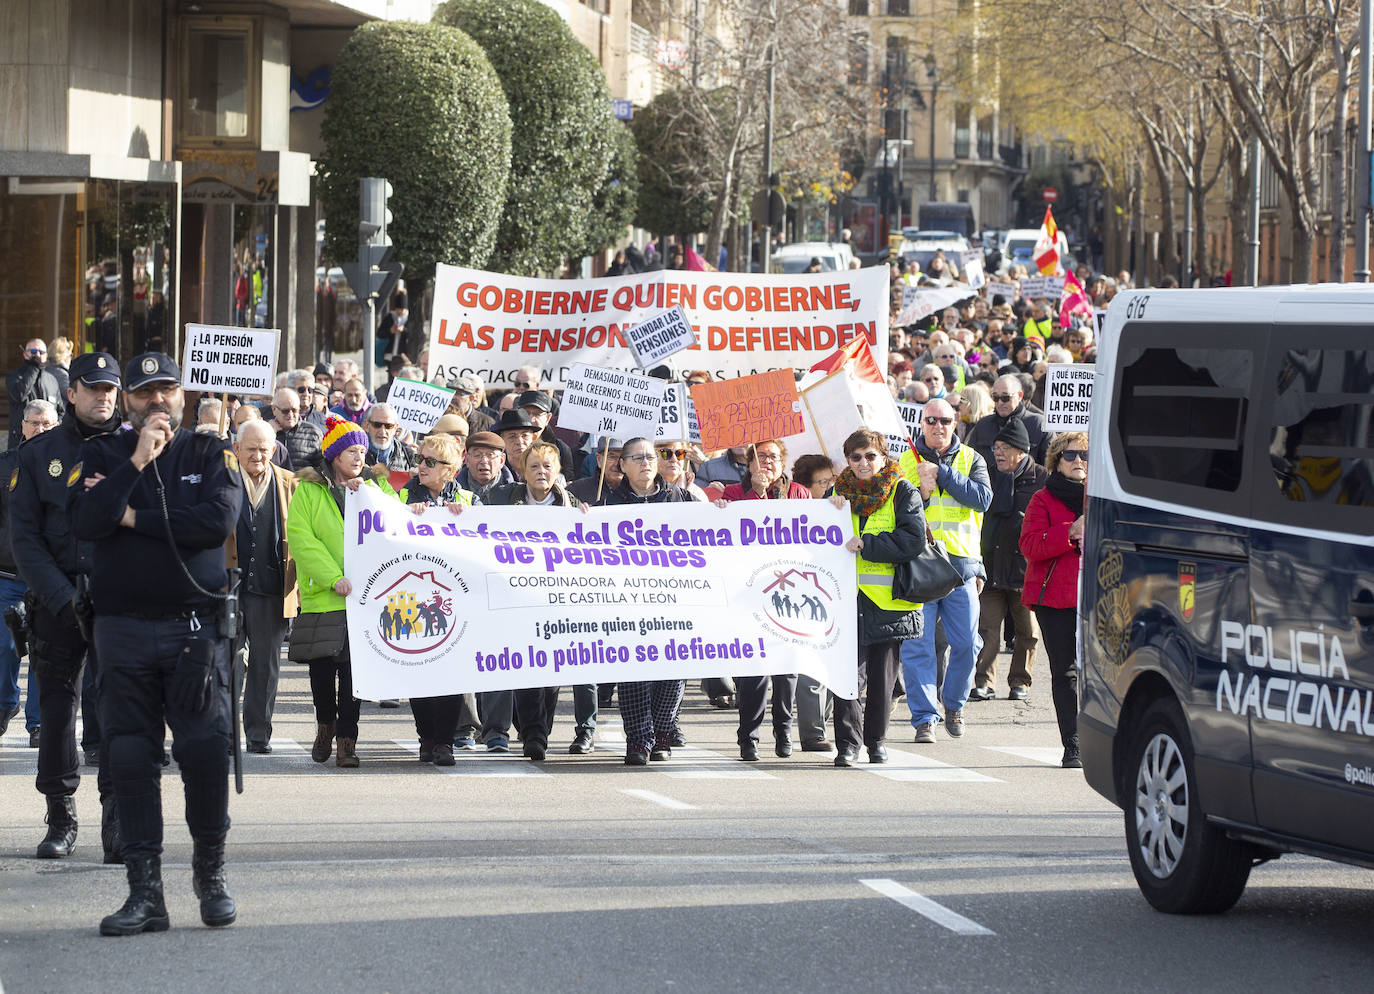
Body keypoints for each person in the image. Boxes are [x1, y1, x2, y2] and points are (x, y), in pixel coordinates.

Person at [71, 352, 243, 935]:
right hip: (121, 629)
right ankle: (145, 892)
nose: (158, 402)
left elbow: (214, 523)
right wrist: (137, 462)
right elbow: (87, 519)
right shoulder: (102, 453)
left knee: (204, 750)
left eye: (167, 390)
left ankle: (210, 873)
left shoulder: (208, 451)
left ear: (184, 395)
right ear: (128, 401)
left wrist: (132, 518)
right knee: (129, 759)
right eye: (145, 393)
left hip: (192, 628)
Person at [11, 355, 124, 865]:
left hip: (120, 601)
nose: (104, 396)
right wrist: (61, 596)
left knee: (121, 714)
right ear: (71, 393)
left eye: (111, 388)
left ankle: (118, 817)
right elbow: (25, 541)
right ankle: (60, 816)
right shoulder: (39, 455)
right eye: (94, 388)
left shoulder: (135, 451)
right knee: (57, 715)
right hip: (57, 603)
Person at [286, 416, 395, 770]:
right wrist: (333, 578)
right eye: (351, 450)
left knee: (352, 676)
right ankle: (325, 726)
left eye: (363, 450)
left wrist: (415, 510)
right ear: (334, 455)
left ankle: (348, 740)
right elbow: (303, 540)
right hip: (325, 597)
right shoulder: (310, 490)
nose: (359, 456)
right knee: (320, 673)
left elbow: (398, 519)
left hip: (364, 599)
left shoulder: (375, 487)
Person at [481, 442, 599, 760]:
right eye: (534, 466)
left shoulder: (573, 506)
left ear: (558, 470)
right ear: (523, 471)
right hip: (517, 598)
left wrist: (586, 522)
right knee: (527, 665)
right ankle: (534, 734)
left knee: (550, 677)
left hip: (558, 601)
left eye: (547, 466)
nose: (541, 472)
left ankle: (537, 728)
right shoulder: (501, 498)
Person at [830, 428, 926, 767]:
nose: (863, 463)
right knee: (845, 676)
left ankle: (876, 742)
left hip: (888, 603)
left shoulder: (903, 491)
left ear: (883, 457)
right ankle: (848, 744)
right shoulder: (837, 493)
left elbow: (913, 540)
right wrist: (830, 509)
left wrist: (868, 545)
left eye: (870, 455)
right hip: (846, 600)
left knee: (882, 680)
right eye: (855, 457)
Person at [898, 398, 992, 742]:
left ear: (956, 424)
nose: (938, 426)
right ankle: (924, 717)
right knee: (917, 645)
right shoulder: (905, 460)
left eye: (945, 420)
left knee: (967, 643)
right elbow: (894, 514)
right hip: (920, 567)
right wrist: (921, 493)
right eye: (931, 420)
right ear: (921, 424)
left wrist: (943, 475)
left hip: (961, 568)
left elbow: (983, 500)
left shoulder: (972, 459)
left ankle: (953, 704)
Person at [715, 440, 809, 760]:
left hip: (787, 592)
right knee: (753, 668)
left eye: (773, 457)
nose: (766, 462)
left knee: (786, 668)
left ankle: (783, 729)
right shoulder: (732, 494)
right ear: (748, 462)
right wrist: (756, 495)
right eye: (760, 456)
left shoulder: (798, 493)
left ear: (783, 462)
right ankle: (748, 736)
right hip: (747, 593)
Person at [603, 438, 689, 763]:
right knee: (634, 674)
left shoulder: (678, 498)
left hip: (672, 602)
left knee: (672, 673)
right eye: (637, 457)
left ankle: (663, 731)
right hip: (627, 603)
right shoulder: (608, 505)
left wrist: (718, 511)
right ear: (621, 464)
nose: (646, 462)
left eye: (651, 456)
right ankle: (638, 740)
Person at [396, 432, 474, 766]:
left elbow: (482, 539)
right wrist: (402, 516)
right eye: (420, 460)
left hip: (453, 598)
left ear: (450, 470)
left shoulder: (468, 499)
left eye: (431, 462)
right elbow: (381, 528)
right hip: (414, 595)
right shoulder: (402, 495)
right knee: (419, 672)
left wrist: (465, 518)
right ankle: (426, 736)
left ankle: (445, 742)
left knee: (451, 672)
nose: (422, 467)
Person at [228, 420, 298, 754]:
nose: (257, 455)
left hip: (271, 589)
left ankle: (258, 734)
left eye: (264, 449)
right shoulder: (222, 480)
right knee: (227, 663)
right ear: (236, 449)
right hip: (228, 588)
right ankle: (225, 733)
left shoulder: (290, 483)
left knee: (265, 666)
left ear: (274, 450)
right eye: (251, 448)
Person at [1020, 431, 1088, 769]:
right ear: (1057, 460)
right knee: (1065, 672)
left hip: (1101, 598)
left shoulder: (1103, 498)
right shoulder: (1042, 500)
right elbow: (1030, 546)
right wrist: (1070, 532)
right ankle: (1072, 744)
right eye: (1071, 455)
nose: (1079, 462)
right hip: (1055, 599)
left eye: (1085, 456)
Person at [970, 420, 1046, 702]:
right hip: (991, 566)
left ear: (1022, 450)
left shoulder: (1041, 478)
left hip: (1026, 571)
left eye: (1004, 448)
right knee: (987, 629)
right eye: (996, 447)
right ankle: (983, 682)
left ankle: (1020, 681)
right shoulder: (988, 475)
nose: (998, 453)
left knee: (1027, 631)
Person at [0, 400, 59, 748]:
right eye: (34, 423)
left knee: (42, 650)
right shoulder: (5, 465)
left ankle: (38, 723)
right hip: (7, 576)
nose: (40, 429)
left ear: (57, 426)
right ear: (22, 426)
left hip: (48, 578)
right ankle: (7, 703)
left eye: (47, 424)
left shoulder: (69, 466)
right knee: (5, 648)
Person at [967, 373, 1051, 468]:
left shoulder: (1038, 424)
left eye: (1005, 398)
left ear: (1020, 395)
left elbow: (1049, 466)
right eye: (995, 397)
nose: (1000, 403)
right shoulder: (983, 425)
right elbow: (970, 462)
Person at [7, 339, 65, 450]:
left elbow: (60, 410)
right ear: (25, 354)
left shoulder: (51, 379)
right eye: (33, 351)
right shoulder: (14, 376)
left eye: (41, 352)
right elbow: (19, 395)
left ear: (46, 356)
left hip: (49, 443)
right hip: (20, 443)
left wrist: (52, 428)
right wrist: (33, 368)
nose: (37, 355)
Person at [268, 387, 323, 469]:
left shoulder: (314, 433)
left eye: (294, 410)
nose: (290, 415)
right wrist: (271, 433)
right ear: (274, 409)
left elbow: (322, 468)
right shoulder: (264, 432)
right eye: (285, 411)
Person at [457, 431, 514, 504]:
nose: (484, 461)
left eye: (490, 455)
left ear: (501, 460)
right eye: (477, 455)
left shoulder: (515, 492)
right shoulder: (451, 492)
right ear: (467, 460)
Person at [361, 403, 416, 474]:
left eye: (388, 426)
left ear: (395, 428)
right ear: (366, 425)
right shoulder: (355, 455)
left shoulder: (409, 457)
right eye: (377, 425)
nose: (382, 431)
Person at [494, 409, 538, 480]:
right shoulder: (495, 472)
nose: (519, 441)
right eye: (512, 436)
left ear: (533, 438)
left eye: (524, 435)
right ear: (502, 440)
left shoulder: (543, 468)